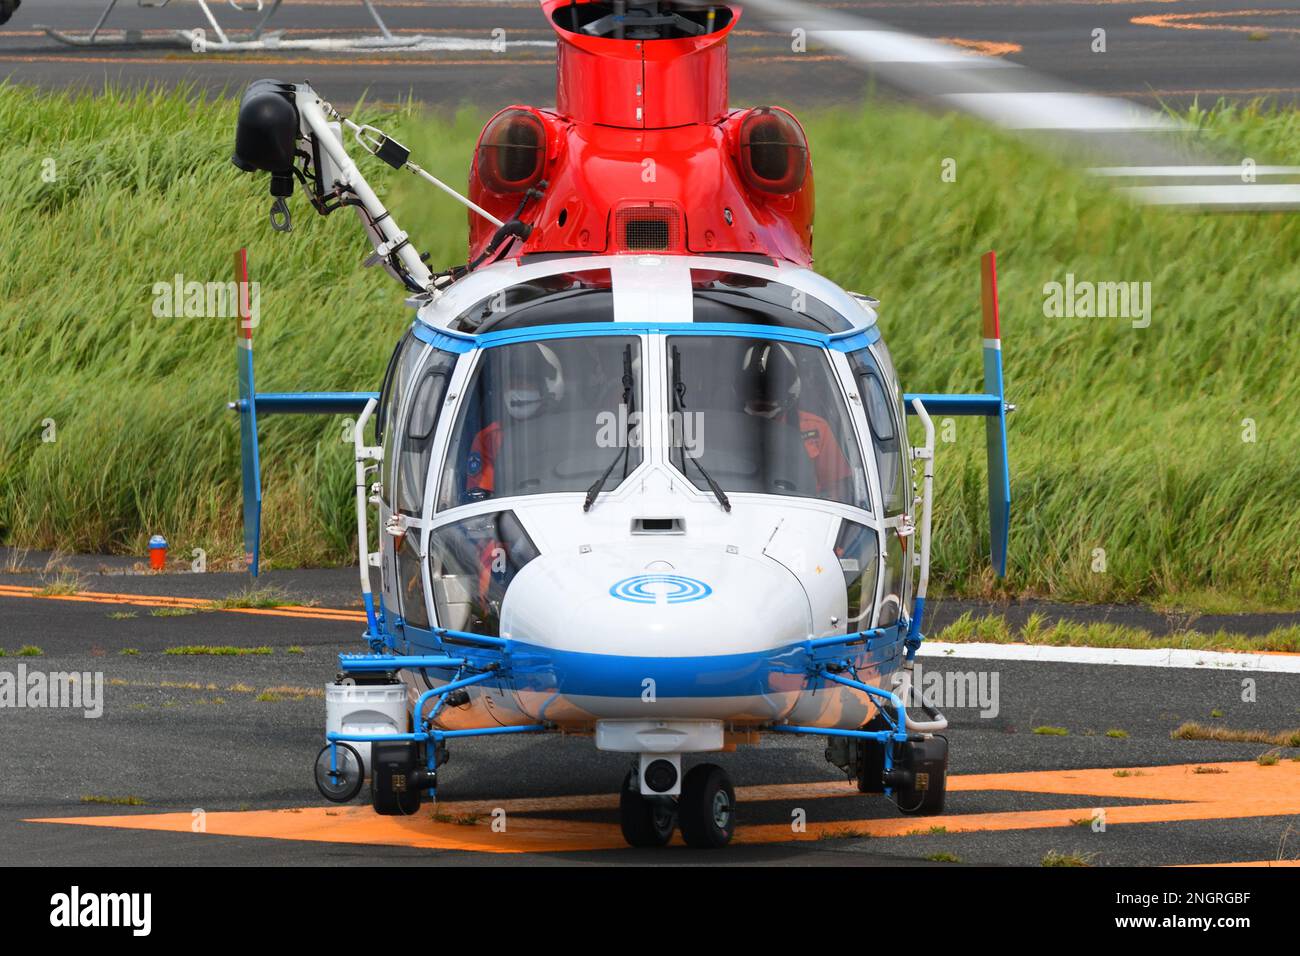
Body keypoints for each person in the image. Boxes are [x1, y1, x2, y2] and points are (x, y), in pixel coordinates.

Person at [739, 343, 852, 497]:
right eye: (756, 401)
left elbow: (838, 489)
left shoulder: (815, 428)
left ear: (790, 393)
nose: (762, 406)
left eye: (770, 400)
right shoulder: (723, 428)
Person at [464, 342, 565, 498]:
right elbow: (481, 497)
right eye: (510, 382)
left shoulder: (569, 434)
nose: (515, 390)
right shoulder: (489, 438)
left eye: (525, 382)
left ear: (550, 388)